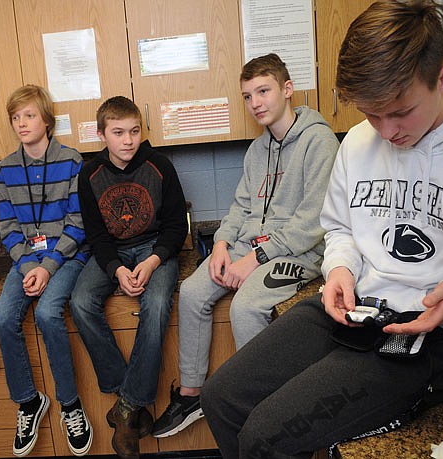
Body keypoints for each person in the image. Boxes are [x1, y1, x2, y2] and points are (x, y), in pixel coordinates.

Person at [200, 1, 443, 458]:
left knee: (265, 437)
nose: (385, 131)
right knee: (219, 399)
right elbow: (340, 227)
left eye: (400, 111)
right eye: (371, 114)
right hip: (355, 308)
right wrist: (340, 267)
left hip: (434, 336)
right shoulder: (359, 141)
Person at [152, 54, 339, 438]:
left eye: (263, 91)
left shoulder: (319, 141)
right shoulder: (258, 150)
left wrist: (254, 259)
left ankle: (259, 408)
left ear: (287, 90)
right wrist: (221, 244)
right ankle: (191, 394)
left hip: (298, 253)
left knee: (247, 306)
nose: (255, 102)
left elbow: (314, 221)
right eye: (248, 95)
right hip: (248, 244)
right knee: (190, 292)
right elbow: (240, 208)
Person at [70, 96, 188, 459]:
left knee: (154, 303)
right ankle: (128, 395)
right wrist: (116, 270)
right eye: (118, 132)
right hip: (114, 254)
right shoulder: (89, 174)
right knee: (79, 302)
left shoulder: (160, 167)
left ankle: (125, 410)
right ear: (101, 133)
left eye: (135, 131)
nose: (128, 140)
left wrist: (152, 262)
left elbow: (174, 228)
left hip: (155, 249)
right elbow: (96, 236)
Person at [0, 85, 92, 457]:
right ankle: (29, 400)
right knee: (4, 317)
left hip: (66, 256)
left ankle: (69, 404)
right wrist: (29, 264)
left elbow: (78, 223)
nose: (21, 123)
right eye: (16, 118)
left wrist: (47, 267)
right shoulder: (4, 169)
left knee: (49, 314)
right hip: (25, 260)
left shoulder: (71, 161)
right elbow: (7, 229)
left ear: (47, 120)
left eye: (29, 115)